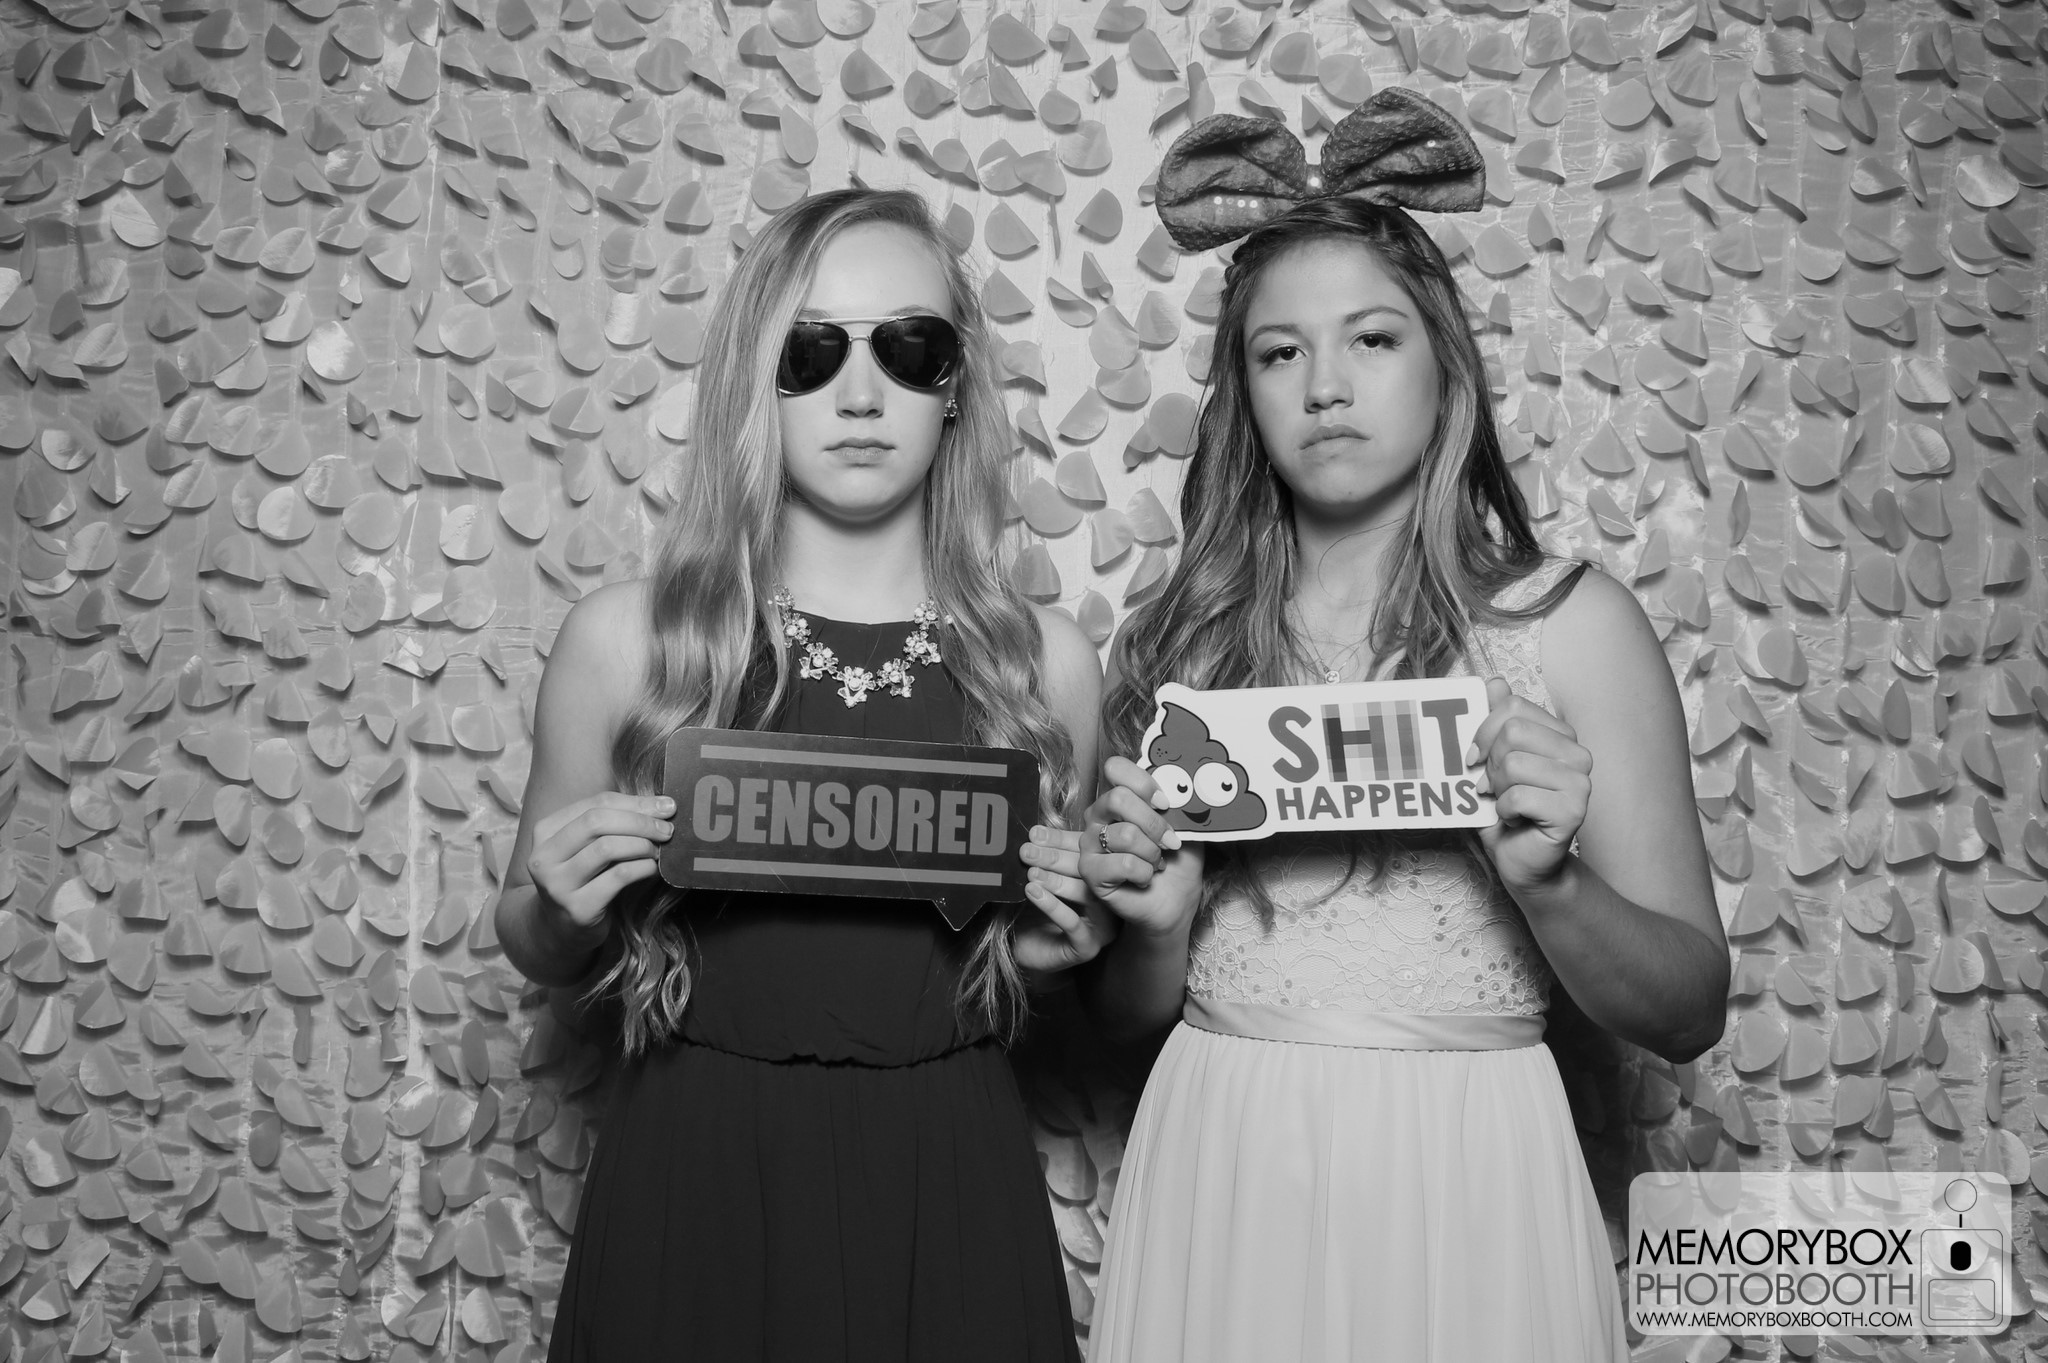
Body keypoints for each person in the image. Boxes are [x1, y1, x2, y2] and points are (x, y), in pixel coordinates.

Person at [1076, 91, 1730, 1363]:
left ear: (1444, 367)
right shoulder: (1183, 647)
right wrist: (1149, 929)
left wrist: (1549, 886)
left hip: (1471, 1166)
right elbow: (1119, 1022)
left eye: (1370, 339)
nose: (1324, 387)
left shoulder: (1569, 627)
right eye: (1278, 354)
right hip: (1225, 1157)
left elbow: (1688, 1007)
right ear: (1241, 393)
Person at [494, 187, 1109, 1362]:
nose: (860, 395)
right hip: (695, 1169)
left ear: (955, 385)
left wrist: (1059, 945)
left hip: (947, 1172)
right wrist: (561, 911)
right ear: (752, 377)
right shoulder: (627, 642)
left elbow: (1052, 968)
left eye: (909, 349)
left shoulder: (1042, 667)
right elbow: (530, 932)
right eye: (809, 352)